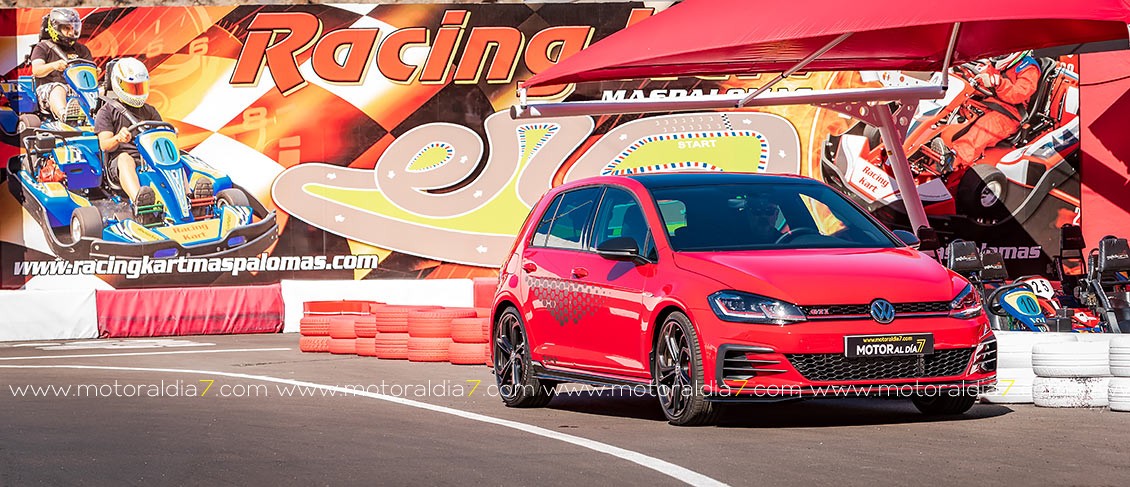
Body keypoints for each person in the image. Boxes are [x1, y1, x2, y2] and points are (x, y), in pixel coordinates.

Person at [95, 57, 210, 224]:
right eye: (132, 87)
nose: (136, 92)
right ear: (119, 85)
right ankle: (140, 204)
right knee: (125, 159)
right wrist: (118, 138)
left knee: (176, 158)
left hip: (152, 159)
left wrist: (170, 134)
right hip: (123, 162)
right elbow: (105, 145)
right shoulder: (106, 112)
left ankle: (190, 201)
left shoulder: (150, 111)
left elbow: (160, 137)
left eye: (139, 87)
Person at [938, 50, 1041, 175]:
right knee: (956, 105)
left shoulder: (1028, 67)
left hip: (1010, 113)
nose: (999, 54)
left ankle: (954, 158)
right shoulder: (994, 63)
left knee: (983, 128)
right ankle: (927, 140)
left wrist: (998, 83)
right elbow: (985, 84)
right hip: (990, 102)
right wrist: (969, 78)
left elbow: (1019, 94)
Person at [29, 8, 93, 122]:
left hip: (78, 90)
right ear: (56, 28)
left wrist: (94, 72)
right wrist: (54, 65)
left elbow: (89, 73)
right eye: (67, 28)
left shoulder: (82, 49)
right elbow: (37, 70)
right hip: (49, 89)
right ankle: (65, 115)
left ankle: (100, 118)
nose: (71, 32)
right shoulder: (42, 47)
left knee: (101, 90)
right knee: (59, 88)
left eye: (73, 28)